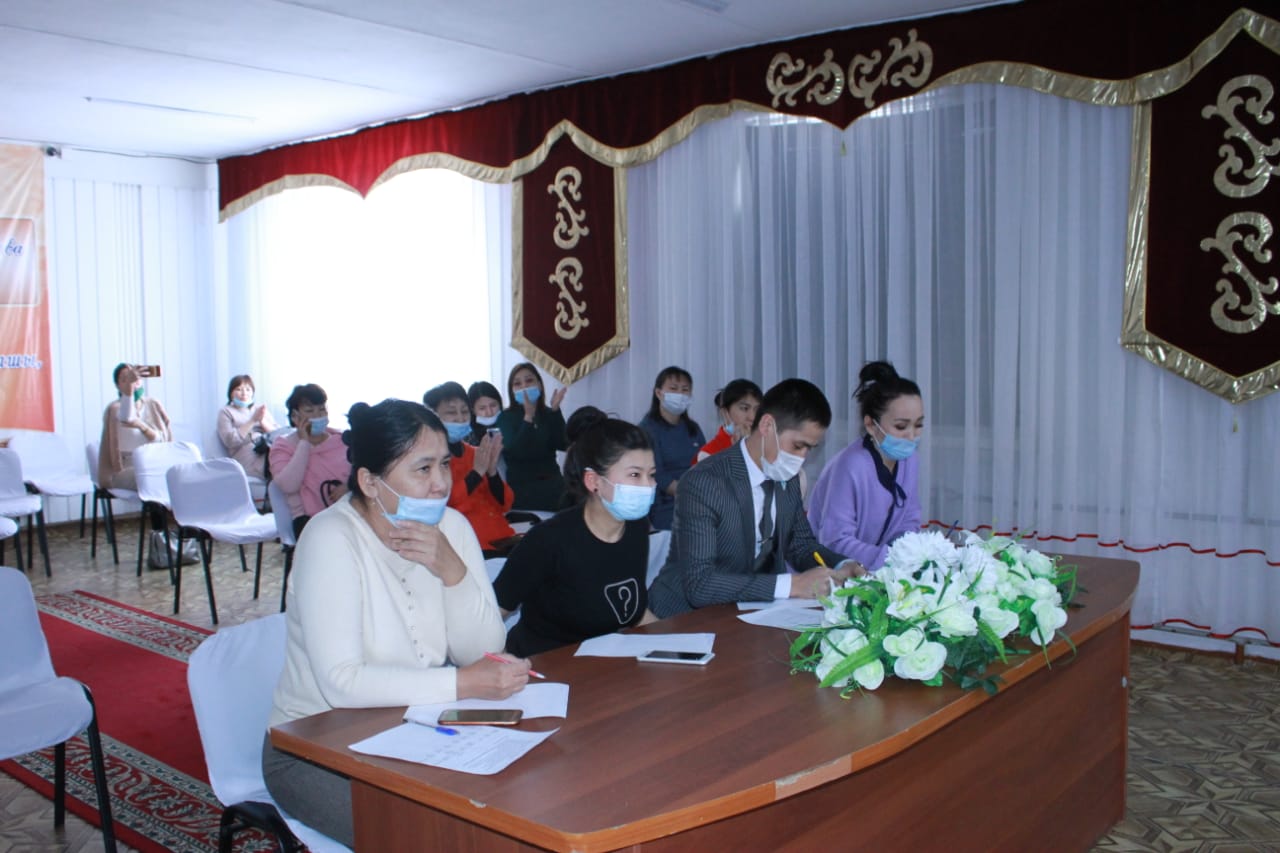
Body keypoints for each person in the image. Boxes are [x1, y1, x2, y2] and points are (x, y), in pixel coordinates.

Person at [263, 399, 528, 847]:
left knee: (510, 810)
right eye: (422, 469)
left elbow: (482, 649)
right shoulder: (330, 537)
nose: (440, 484)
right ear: (370, 481)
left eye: (443, 464)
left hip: (415, 729)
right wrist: (462, 683)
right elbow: (342, 684)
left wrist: (453, 571)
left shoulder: (453, 528)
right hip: (316, 747)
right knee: (429, 838)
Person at [647, 378, 863, 618]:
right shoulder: (705, 481)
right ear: (767, 425)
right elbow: (700, 584)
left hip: (749, 613)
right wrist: (793, 585)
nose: (801, 458)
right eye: (797, 446)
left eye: (808, 449)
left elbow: (800, 544)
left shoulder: (787, 476)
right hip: (682, 619)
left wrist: (842, 565)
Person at [495, 408, 657, 656]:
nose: (648, 486)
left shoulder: (636, 527)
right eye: (635, 475)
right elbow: (493, 615)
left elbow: (631, 611)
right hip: (540, 665)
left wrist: (677, 645)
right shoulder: (548, 540)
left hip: (602, 663)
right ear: (593, 481)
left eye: (652, 475)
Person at [808, 361, 924, 571]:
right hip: (825, 572)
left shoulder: (910, 460)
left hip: (876, 572)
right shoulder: (850, 466)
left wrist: (910, 555)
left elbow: (909, 521)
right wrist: (890, 559)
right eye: (901, 426)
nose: (911, 436)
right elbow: (834, 541)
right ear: (870, 424)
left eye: (918, 425)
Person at [423, 381, 518, 554]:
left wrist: (492, 471)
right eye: (451, 413)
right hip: (469, 545)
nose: (460, 418)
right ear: (434, 417)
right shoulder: (428, 460)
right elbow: (445, 503)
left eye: (465, 411)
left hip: (502, 537)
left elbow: (505, 503)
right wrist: (476, 473)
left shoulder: (476, 453)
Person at [269, 383, 351, 535]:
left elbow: (364, 473)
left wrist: (350, 486)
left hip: (348, 513)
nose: (318, 416)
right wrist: (304, 443)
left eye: (322, 409)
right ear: (295, 416)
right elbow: (288, 485)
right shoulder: (283, 447)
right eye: (309, 411)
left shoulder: (342, 440)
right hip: (309, 521)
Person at [639, 366, 706, 530]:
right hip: (666, 506)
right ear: (658, 393)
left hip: (698, 499)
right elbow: (657, 475)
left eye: (685, 390)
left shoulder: (693, 428)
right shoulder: (647, 430)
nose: (680, 394)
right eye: (674, 389)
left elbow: (706, 463)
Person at [495, 362, 568, 511]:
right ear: (512, 391)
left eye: (529, 381)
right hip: (523, 489)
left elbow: (564, 444)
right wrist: (528, 418)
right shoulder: (505, 417)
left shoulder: (547, 413)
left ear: (539, 385)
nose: (524, 387)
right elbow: (516, 452)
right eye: (517, 384)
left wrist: (555, 412)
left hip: (554, 484)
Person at [98, 363, 172, 490]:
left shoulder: (153, 404)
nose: (132, 381)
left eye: (134, 377)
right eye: (125, 379)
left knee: (173, 476)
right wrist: (129, 390)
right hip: (125, 469)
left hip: (153, 464)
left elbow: (160, 440)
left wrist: (142, 426)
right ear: (118, 386)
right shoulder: (115, 409)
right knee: (150, 479)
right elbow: (127, 417)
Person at [216, 373, 279, 479]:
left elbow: (277, 434)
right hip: (247, 454)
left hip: (267, 446)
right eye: (239, 389)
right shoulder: (225, 412)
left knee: (287, 452)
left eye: (248, 389)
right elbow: (230, 441)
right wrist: (253, 420)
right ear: (231, 393)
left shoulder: (259, 409)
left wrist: (262, 421)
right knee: (278, 461)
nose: (244, 393)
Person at [696, 379, 763, 462]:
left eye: (757, 409)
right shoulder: (708, 453)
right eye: (744, 408)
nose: (752, 417)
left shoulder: (765, 444)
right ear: (725, 413)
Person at [467, 380, 504, 446]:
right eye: (482, 408)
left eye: (493, 405)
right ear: (473, 410)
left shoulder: (510, 425)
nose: (489, 413)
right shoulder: (467, 434)